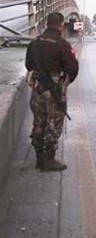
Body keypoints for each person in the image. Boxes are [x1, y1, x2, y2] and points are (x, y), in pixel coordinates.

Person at [25, 12, 79, 171]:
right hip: (54, 88)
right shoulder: (62, 44)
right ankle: (49, 159)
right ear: (61, 25)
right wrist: (63, 83)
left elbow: (28, 64)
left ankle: (39, 158)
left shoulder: (35, 42)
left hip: (37, 87)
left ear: (47, 23)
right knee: (53, 123)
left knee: (38, 120)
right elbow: (72, 68)